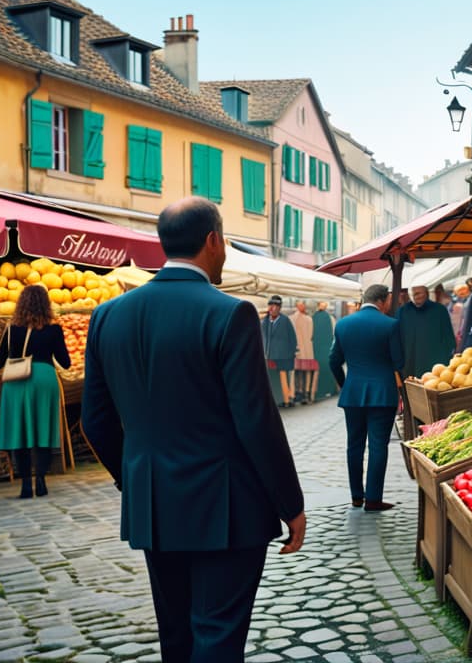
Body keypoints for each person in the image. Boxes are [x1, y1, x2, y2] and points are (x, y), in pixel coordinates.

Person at [82, 197, 305, 661]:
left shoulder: (107, 316)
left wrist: (136, 477)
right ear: (213, 240)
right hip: (225, 507)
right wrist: (291, 504)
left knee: (177, 636)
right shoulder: (229, 313)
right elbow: (256, 421)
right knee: (218, 635)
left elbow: (95, 422)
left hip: (154, 504)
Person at [329, 284, 403, 511]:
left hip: (353, 393)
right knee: (378, 445)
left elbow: (333, 361)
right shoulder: (390, 325)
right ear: (383, 301)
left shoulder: (343, 324)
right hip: (383, 393)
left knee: (354, 445)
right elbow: (399, 362)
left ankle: (356, 496)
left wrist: (345, 384)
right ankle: (373, 498)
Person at [0, 284, 70, 499]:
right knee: (43, 431)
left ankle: (26, 483)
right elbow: (65, 362)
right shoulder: (54, 329)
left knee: (20, 433)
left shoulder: (11, 329)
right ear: (46, 304)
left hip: (17, 381)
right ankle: (41, 480)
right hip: (44, 379)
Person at [397, 284, 456, 380]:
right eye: (413, 294)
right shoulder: (402, 312)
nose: (416, 297)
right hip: (409, 368)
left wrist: (446, 360)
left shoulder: (439, 310)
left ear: (427, 293)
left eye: (418, 293)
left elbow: (448, 338)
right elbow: (397, 339)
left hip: (435, 368)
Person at [261, 295, 297, 407]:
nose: (272, 308)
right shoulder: (265, 322)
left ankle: (286, 401)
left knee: (283, 379)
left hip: (283, 356)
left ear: (279, 308)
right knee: (271, 380)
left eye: (275, 306)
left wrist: (291, 354)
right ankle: (274, 401)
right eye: (270, 305)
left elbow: (293, 338)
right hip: (269, 356)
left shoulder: (285, 320)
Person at [290, 300, 316, 404]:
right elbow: (311, 334)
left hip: (297, 349)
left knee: (297, 372)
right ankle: (306, 392)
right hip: (307, 349)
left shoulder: (291, 319)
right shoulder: (309, 319)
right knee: (307, 371)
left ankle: (298, 392)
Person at [312, 301, 339, 400]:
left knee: (319, 368)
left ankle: (318, 391)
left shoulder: (313, 317)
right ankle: (331, 389)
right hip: (327, 345)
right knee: (328, 367)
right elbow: (333, 332)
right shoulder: (330, 318)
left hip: (317, 346)